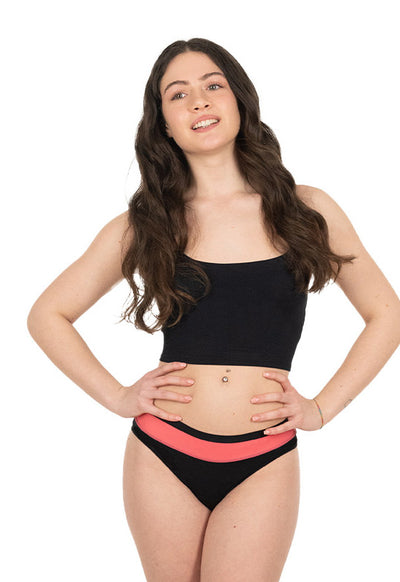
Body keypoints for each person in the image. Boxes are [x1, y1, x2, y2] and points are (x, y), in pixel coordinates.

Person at [27, 37, 400, 582]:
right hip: (164, 451)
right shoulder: (146, 224)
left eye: (213, 85)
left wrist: (321, 409)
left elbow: (386, 314)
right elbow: (47, 314)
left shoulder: (306, 209)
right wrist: (118, 396)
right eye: (178, 94)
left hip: (264, 456)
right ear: (164, 125)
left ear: (239, 100)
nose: (198, 101)